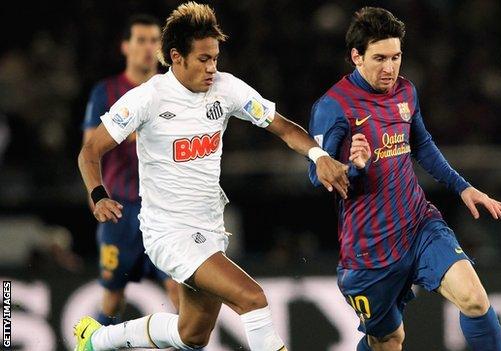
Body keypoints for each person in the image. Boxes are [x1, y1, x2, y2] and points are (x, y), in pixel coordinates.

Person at [74, 2, 349, 351]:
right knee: (253, 298)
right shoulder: (148, 98)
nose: (212, 67)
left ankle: (97, 338)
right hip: (168, 231)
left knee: (192, 335)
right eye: (203, 59)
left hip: (210, 228)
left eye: (215, 58)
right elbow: (90, 151)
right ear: (176, 57)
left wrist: (319, 155)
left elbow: (282, 127)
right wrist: (99, 195)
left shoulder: (226, 88)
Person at [308, 7, 501, 351]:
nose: (390, 68)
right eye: (380, 58)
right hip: (369, 250)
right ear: (356, 57)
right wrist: (353, 167)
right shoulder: (333, 106)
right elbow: (317, 177)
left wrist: (463, 187)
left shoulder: (405, 91)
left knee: (475, 299)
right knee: (388, 340)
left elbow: (422, 144)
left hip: (418, 225)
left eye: (396, 57)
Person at [82, 13, 180, 327]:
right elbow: (90, 149)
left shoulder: (174, 89)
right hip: (120, 213)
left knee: (179, 292)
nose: (148, 47)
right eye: (141, 40)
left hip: (164, 210)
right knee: (113, 298)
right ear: (125, 46)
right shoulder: (106, 93)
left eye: (154, 40)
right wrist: (95, 195)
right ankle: (93, 346)